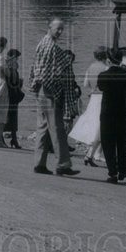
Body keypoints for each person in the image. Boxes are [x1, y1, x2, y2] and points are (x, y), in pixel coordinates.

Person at [30, 18, 78, 176]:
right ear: (49, 27)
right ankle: (63, 164)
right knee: (57, 128)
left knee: (43, 127)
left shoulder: (42, 43)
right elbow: (48, 75)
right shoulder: (51, 47)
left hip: (41, 90)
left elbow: (36, 69)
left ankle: (39, 163)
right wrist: (56, 93)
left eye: (61, 29)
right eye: (58, 28)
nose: (60, 32)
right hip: (48, 92)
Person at [97, 48, 126, 184]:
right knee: (121, 142)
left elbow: (100, 88)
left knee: (108, 143)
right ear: (121, 60)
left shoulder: (103, 75)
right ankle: (123, 168)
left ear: (108, 59)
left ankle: (112, 172)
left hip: (107, 112)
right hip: (121, 112)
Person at [69, 46, 107, 166]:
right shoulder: (106, 68)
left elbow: (86, 84)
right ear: (105, 56)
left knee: (93, 125)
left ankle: (91, 153)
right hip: (103, 97)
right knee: (101, 126)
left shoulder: (90, 67)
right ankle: (93, 153)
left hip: (93, 98)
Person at [2, 49, 24, 148]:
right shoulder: (9, 67)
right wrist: (19, 82)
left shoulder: (8, 66)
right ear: (13, 57)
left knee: (10, 117)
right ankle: (11, 139)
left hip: (11, 95)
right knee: (9, 117)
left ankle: (12, 139)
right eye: (16, 58)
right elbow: (12, 81)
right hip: (11, 95)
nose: (17, 60)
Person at [60, 50, 82, 134]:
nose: (69, 61)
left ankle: (64, 143)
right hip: (64, 100)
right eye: (67, 59)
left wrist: (77, 88)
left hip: (70, 99)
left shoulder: (69, 69)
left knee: (68, 121)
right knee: (65, 121)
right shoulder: (62, 70)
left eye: (71, 59)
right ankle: (63, 143)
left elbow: (73, 83)